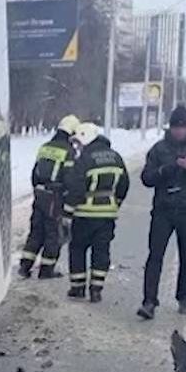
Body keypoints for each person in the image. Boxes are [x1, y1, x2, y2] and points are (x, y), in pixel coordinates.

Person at [136, 104, 186, 320]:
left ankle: (183, 298)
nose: (179, 131)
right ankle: (149, 301)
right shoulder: (159, 149)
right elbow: (146, 178)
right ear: (170, 128)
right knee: (155, 255)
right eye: (175, 127)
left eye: (182, 127)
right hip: (163, 209)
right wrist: (164, 170)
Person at [60, 120, 129, 302]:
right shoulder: (116, 157)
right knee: (101, 251)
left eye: (78, 142)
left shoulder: (85, 159)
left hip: (84, 214)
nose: (76, 146)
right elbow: (124, 184)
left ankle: (78, 287)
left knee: (77, 249)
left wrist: (67, 213)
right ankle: (96, 289)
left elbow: (76, 187)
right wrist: (116, 203)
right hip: (107, 216)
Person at [17, 114, 79, 279]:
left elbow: (34, 173)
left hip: (40, 194)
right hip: (55, 197)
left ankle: (25, 266)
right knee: (53, 233)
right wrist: (68, 199)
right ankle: (47, 270)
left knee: (36, 231)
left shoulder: (44, 147)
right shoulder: (69, 151)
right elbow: (70, 179)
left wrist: (38, 191)